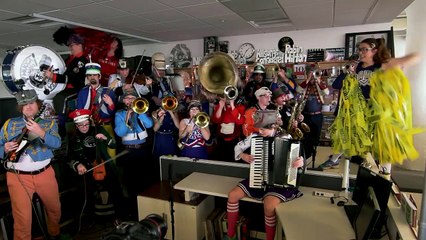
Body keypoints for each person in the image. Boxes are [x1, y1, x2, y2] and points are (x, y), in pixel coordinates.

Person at [326, 38, 420, 175]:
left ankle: (385, 174)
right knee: (348, 134)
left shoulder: (381, 65)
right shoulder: (357, 67)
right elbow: (338, 86)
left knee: (383, 142)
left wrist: (394, 63)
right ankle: (335, 159)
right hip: (360, 111)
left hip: (378, 111)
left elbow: (415, 57)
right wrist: (348, 72)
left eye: (365, 49)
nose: (361, 52)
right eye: (359, 49)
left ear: (375, 51)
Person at [0, 89, 66, 240]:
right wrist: (4, 148)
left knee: (54, 210)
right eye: (24, 105)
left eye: (31, 103)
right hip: (18, 177)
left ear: (37, 104)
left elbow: (56, 143)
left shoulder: (49, 124)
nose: (28, 107)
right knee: (22, 218)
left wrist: (40, 132)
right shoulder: (9, 124)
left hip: (45, 173)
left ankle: (54, 234)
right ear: (20, 107)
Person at [227, 118, 304, 240]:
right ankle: (230, 235)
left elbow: (298, 156)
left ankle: (269, 238)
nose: (260, 131)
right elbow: (237, 147)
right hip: (258, 176)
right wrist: (243, 155)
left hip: (280, 182)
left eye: (263, 129)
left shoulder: (286, 136)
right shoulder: (254, 137)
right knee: (232, 195)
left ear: (273, 126)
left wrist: (300, 161)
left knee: (269, 206)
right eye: (259, 128)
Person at [67, 109, 125, 227]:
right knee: (86, 193)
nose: (84, 127)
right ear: (76, 125)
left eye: (86, 124)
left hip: (104, 165)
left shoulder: (99, 130)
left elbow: (113, 144)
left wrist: (105, 138)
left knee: (115, 189)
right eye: (80, 125)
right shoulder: (73, 138)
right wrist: (77, 165)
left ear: (89, 121)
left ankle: (119, 217)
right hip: (87, 169)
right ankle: (90, 220)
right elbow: (69, 157)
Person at [114, 88, 154, 219]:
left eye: (133, 98)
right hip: (129, 152)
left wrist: (140, 112)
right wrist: (127, 116)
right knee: (131, 184)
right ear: (124, 100)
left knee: (145, 181)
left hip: (143, 150)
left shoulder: (141, 110)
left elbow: (149, 124)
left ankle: (146, 211)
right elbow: (120, 133)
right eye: (128, 98)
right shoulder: (119, 114)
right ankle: (134, 213)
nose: (130, 101)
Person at [297, 65, 329, 160]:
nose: (312, 76)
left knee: (315, 138)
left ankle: (312, 154)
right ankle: (305, 155)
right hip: (305, 115)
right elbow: (298, 90)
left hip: (317, 116)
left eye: (314, 73)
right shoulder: (304, 85)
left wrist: (317, 80)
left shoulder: (320, 85)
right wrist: (307, 80)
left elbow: (326, 92)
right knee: (305, 137)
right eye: (310, 73)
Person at [211, 96, 245, 161]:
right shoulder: (218, 107)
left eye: (229, 96)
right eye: (224, 97)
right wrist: (220, 107)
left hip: (234, 140)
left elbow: (240, 121)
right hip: (221, 140)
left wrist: (232, 106)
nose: (227, 99)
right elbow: (216, 120)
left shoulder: (240, 107)